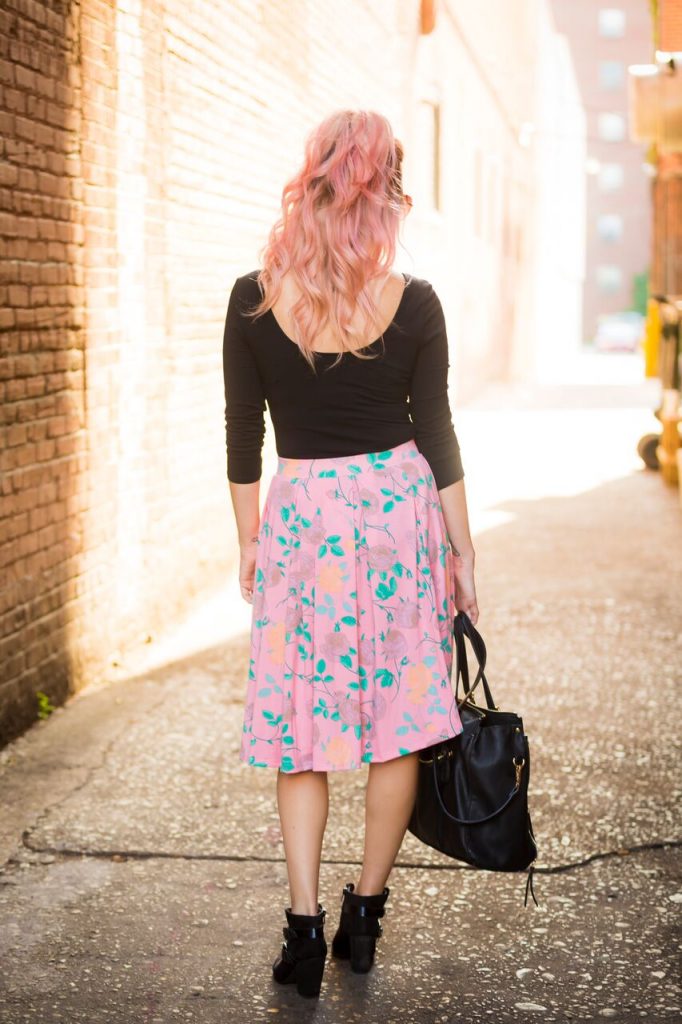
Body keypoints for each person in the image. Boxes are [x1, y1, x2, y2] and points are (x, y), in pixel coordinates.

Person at [222, 109, 478, 999]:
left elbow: (242, 438)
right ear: (388, 193)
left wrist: (248, 540)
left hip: (303, 521)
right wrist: (464, 552)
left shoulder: (254, 297)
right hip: (400, 517)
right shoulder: (414, 302)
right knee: (397, 724)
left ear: (315, 180)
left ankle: (303, 929)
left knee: (304, 727)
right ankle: (363, 919)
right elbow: (435, 431)